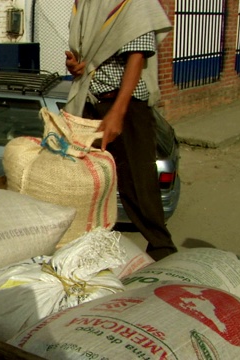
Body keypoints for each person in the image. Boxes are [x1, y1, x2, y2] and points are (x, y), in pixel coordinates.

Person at [64, 0, 176, 261]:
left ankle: (164, 252)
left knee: (137, 185)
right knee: (90, 182)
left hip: (125, 107)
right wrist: (76, 66)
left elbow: (136, 57)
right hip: (90, 104)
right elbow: (91, 58)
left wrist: (117, 113)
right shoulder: (86, 4)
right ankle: (88, 250)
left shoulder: (134, 3)